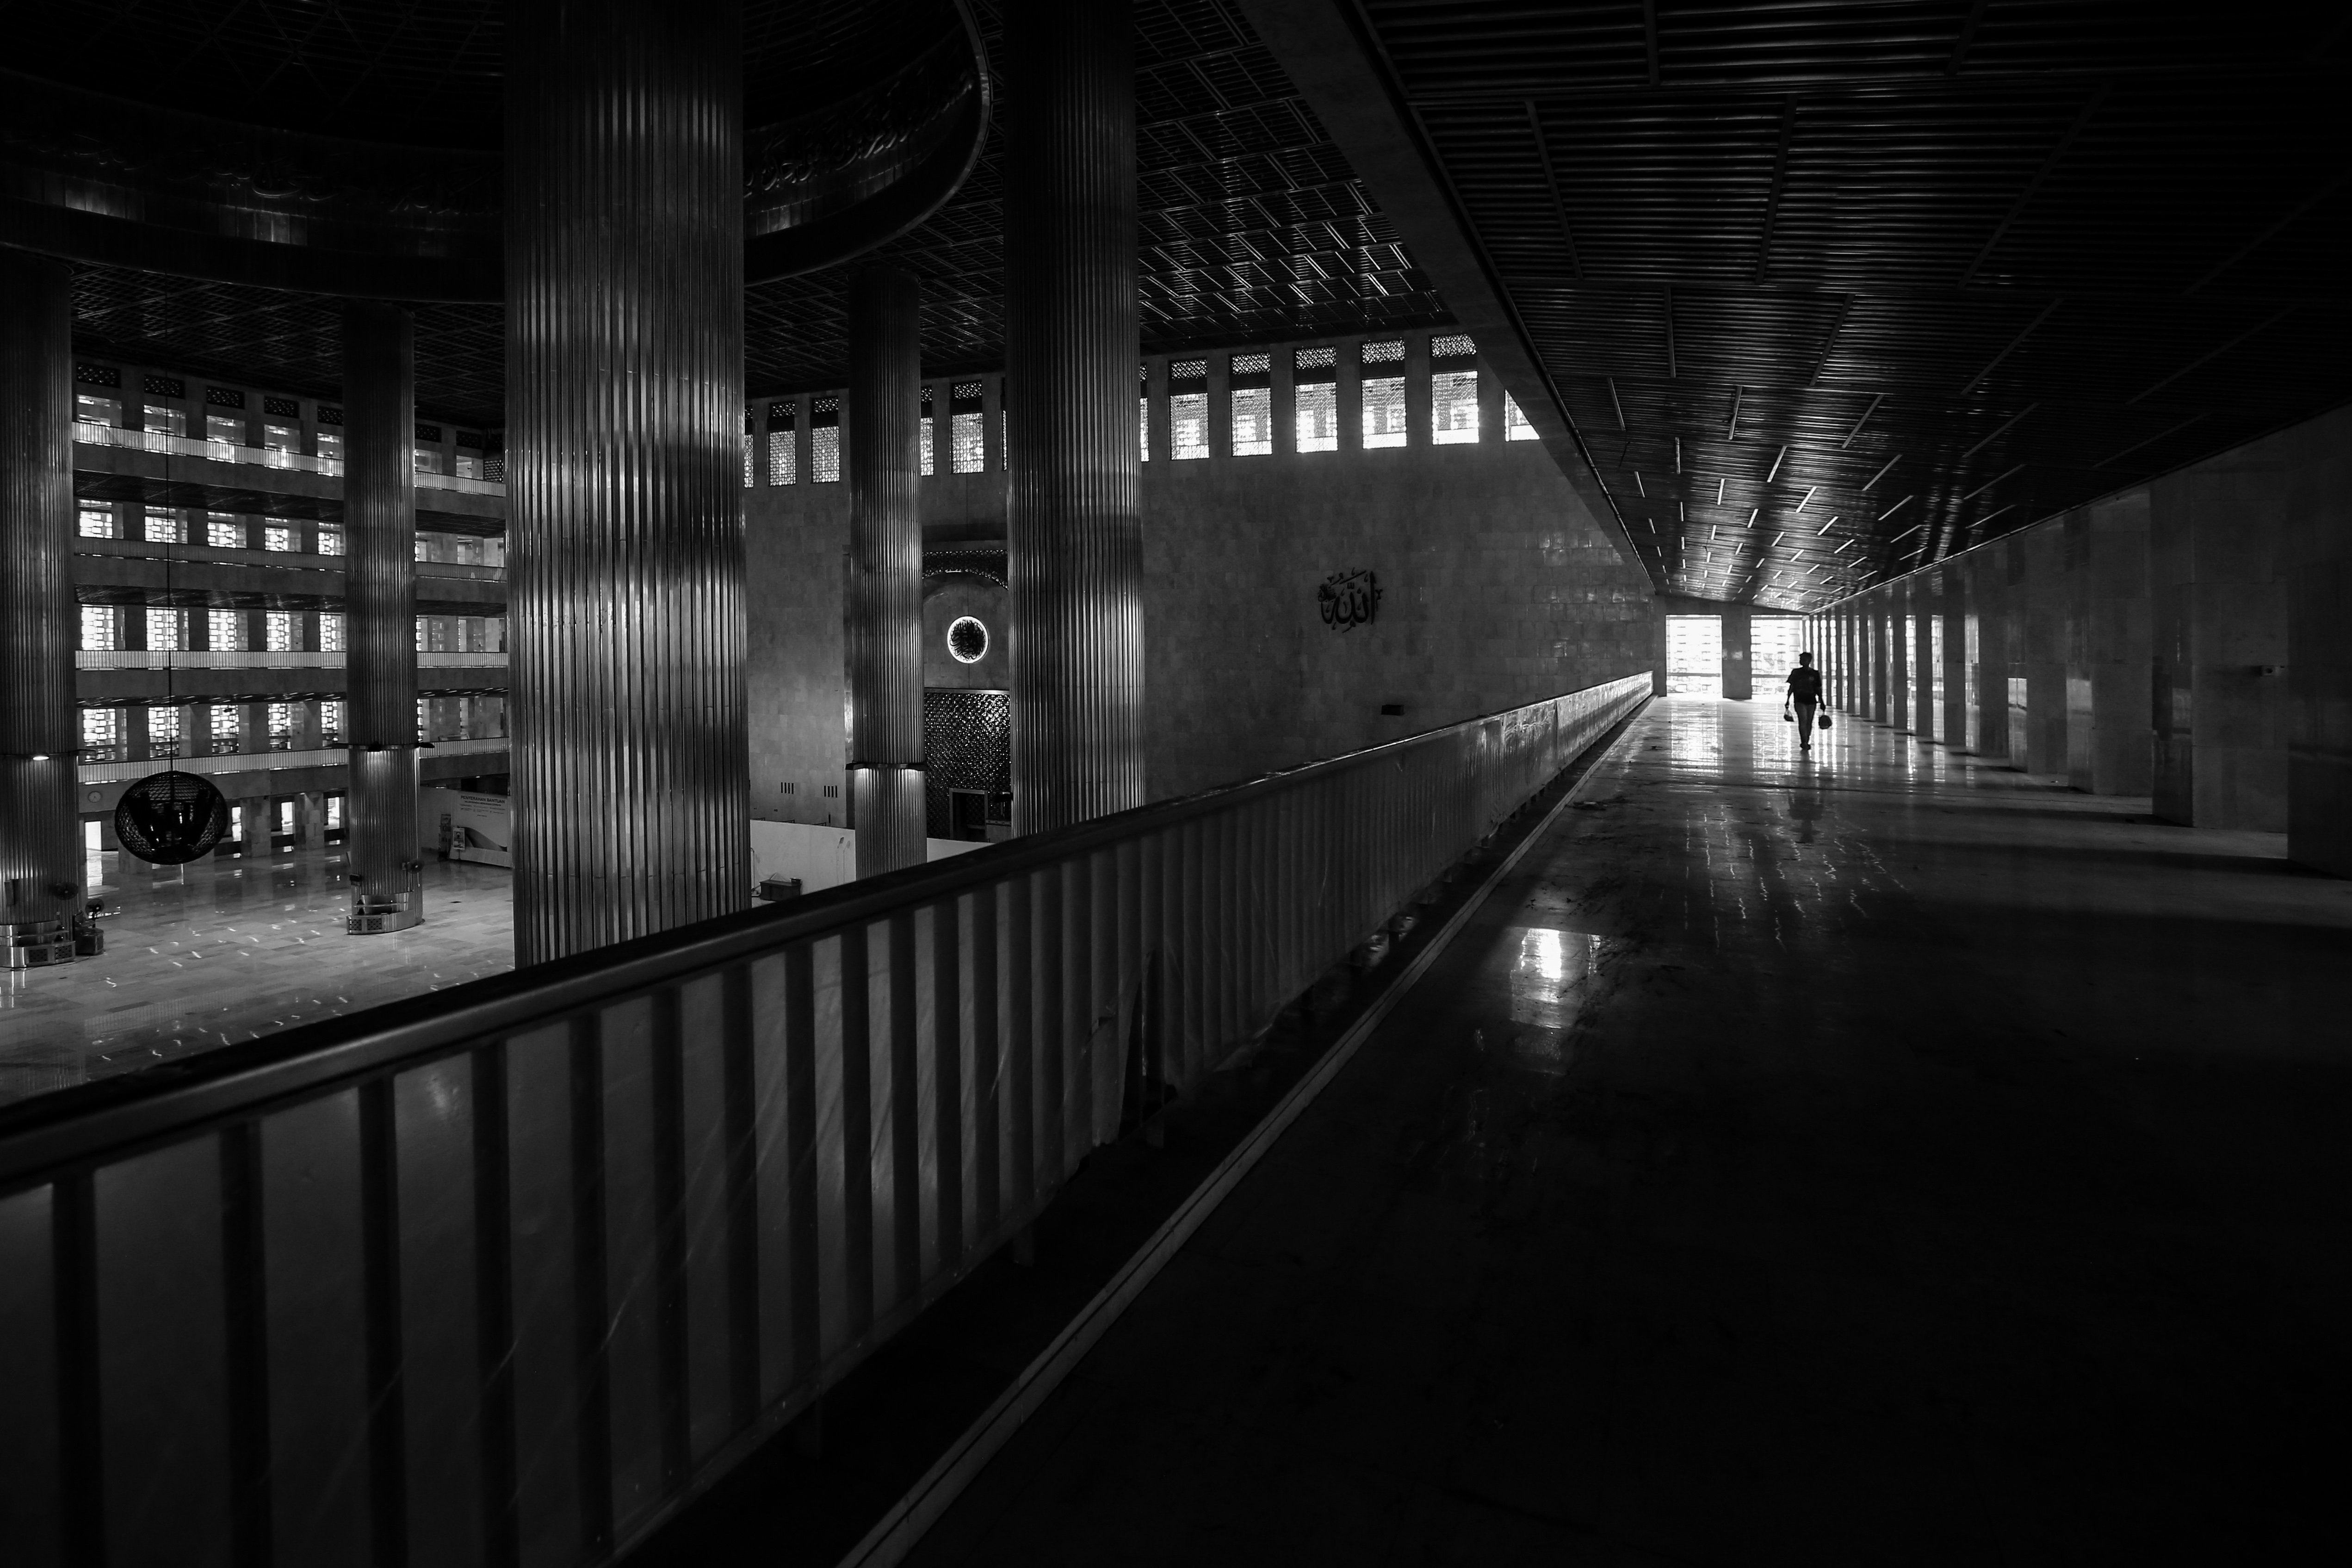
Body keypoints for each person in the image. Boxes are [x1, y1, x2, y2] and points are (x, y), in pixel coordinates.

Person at [1785, 651, 1824, 750]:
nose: (1802, 661)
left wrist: (1822, 701)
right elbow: (1792, 687)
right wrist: (1788, 700)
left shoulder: (1815, 674)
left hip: (1811, 700)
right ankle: (1804, 741)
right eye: (1801, 659)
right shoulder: (1796, 673)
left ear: (1809, 661)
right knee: (1803, 720)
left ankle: (1807, 739)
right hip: (1800, 700)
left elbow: (1818, 689)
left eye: (1804, 659)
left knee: (1809, 722)